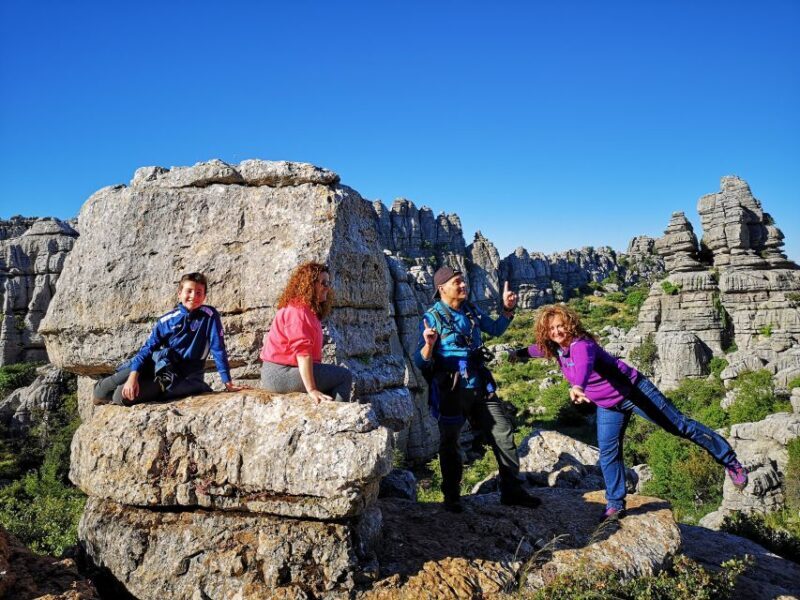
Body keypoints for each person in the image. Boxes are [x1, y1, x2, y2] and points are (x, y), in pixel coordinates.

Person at [508, 304, 749, 521]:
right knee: (609, 454)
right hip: (608, 406)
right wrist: (516, 354)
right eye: (552, 329)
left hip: (635, 393)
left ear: (570, 325)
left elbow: (582, 365)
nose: (557, 332)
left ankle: (730, 461)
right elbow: (535, 350)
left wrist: (578, 386)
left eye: (561, 326)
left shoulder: (582, 345)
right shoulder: (556, 349)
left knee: (680, 426)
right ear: (546, 332)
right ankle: (615, 504)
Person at [414, 266, 540, 513]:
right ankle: (452, 498)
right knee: (450, 444)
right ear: (442, 288)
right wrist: (429, 345)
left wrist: (507, 309)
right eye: (458, 282)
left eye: (463, 282)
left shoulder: (470, 310)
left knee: (503, 432)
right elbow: (420, 362)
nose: (463, 286)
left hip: (479, 384)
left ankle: (511, 490)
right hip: (451, 390)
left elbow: (494, 329)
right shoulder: (432, 317)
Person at [94, 272, 241, 406]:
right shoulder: (167, 320)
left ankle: (122, 393)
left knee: (121, 397)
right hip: (158, 364)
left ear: (204, 296)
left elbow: (218, 348)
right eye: (189, 291)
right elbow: (147, 349)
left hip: (179, 377)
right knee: (102, 392)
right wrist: (133, 377)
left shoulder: (209, 316)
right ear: (179, 293)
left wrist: (227, 381)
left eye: (199, 293)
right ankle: (108, 387)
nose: (193, 296)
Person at [260, 262, 352, 402]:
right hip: (280, 374)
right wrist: (312, 389)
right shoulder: (298, 311)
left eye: (328, 282)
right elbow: (303, 354)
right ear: (309, 285)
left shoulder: (306, 310)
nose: (327, 287)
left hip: (284, 371)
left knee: (331, 378)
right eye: (323, 283)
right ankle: (338, 418)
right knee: (343, 376)